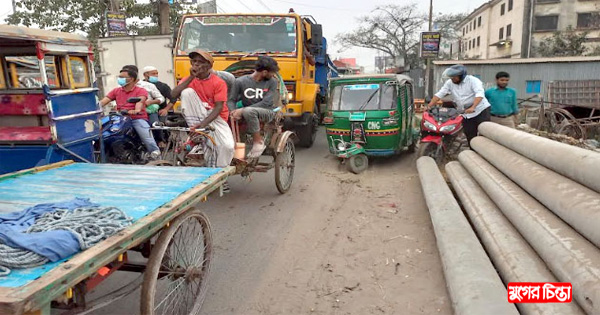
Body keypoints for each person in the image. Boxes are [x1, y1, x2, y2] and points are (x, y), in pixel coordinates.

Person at [171, 49, 235, 169]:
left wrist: (203, 125)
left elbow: (219, 107)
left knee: (227, 146)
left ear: (208, 66)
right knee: (187, 92)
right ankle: (198, 138)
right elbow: (173, 95)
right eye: (194, 61)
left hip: (215, 117)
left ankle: (220, 172)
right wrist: (191, 77)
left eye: (200, 62)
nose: (196, 65)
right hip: (197, 116)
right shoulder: (188, 79)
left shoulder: (219, 82)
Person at [99, 67, 161, 159]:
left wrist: (136, 110)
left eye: (122, 77)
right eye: (119, 77)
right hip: (120, 118)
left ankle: (156, 155)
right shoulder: (116, 91)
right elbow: (103, 102)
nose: (119, 79)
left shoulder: (141, 90)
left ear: (131, 79)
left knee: (147, 137)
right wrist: (94, 108)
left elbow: (140, 101)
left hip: (137, 118)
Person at [428, 64, 491, 147]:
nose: (452, 79)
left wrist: (473, 107)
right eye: (451, 77)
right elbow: (440, 94)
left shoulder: (473, 81)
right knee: (469, 133)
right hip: (466, 113)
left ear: (461, 76)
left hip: (480, 110)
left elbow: (479, 94)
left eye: (454, 77)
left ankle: (485, 150)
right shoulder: (450, 83)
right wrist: (429, 105)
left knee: (484, 132)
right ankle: (473, 151)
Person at [228, 56, 280, 158]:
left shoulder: (272, 82)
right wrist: (232, 111)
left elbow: (266, 102)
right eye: (272, 72)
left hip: (267, 112)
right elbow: (231, 99)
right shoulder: (240, 81)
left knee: (249, 111)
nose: (273, 75)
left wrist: (242, 110)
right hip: (248, 112)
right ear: (264, 72)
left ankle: (258, 142)